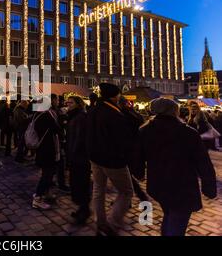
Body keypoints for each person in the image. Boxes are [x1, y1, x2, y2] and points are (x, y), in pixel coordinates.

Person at [135, 98, 217, 236]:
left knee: (169, 213)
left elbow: (136, 156)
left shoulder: (145, 131)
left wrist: (139, 173)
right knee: (178, 219)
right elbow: (203, 163)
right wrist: (209, 187)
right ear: (174, 111)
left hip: (157, 183)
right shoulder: (188, 132)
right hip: (182, 185)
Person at [86, 83, 134, 236]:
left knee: (98, 189)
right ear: (115, 96)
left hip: (95, 157)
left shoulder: (93, 109)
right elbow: (122, 139)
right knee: (126, 192)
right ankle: (112, 224)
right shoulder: (114, 113)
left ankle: (100, 221)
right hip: (112, 159)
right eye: (118, 94)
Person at [32, 94, 63, 210]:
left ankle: (45, 193)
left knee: (47, 172)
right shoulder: (46, 115)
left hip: (42, 148)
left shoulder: (37, 114)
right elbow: (57, 129)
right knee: (47, 174)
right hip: (48, 148)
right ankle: (38, 198)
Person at [65, 95, 90, 224]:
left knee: (81, 184)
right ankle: (82, 208)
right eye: (67, 102)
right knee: (77, 184)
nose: (68, 104)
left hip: (80, 157)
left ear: (78, 104)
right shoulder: (73, 116)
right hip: (75, 156)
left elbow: (79, 139)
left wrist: (73, 155)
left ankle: (84, 210)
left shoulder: (80, 117)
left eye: (71, 102)